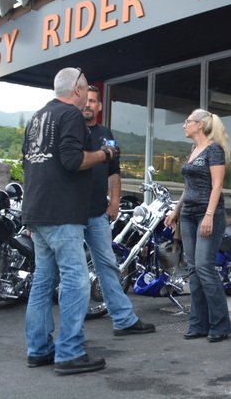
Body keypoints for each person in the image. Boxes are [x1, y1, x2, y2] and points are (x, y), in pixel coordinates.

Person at [22, 67, 119, 375]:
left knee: (42, 281)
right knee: (76, 280)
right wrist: (104, 154)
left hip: (37, 210)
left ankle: (38, 350)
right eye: (87, 90)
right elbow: (72, 160)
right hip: (62, 213)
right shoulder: (71, 116)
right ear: (77, 90)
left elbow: (31, 162)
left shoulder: (37, 117)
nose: (87, 98)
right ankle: (69, 352)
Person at [82, 85, 155, 336]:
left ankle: (123, 320)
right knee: (70, 269)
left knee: (107, 264)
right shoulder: (72, 130)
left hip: (97, 213)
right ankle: (71, 323)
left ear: (100, 106)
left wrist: (114, 202)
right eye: (85, 100)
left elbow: (114, 169)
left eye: (93, 101)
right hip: (71, 212)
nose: (88, 105)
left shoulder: (105, 133)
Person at [164, 109, 231, 342]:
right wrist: (176, 210)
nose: (184, 125)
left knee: (204, 267)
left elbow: (217, 184)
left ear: (200, 124)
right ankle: (198, 324)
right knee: (193, 269)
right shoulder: (194, 150)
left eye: (187, 121)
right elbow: (188, 186)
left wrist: (209, 215)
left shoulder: (214, 149)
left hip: (207, 213)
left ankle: (220, 325)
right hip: (189, 215)